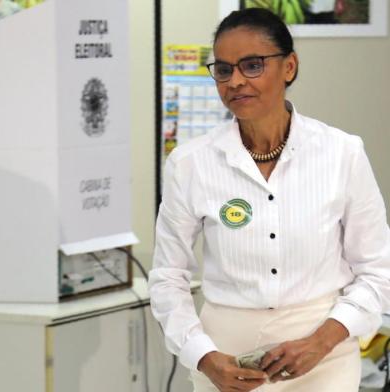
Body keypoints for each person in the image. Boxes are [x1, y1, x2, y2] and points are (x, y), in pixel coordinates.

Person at [149, 7, 390, 392]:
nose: (236, 81)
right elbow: (167, 278)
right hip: (225, 361)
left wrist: (320, 342)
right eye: (224, 70)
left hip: (322, 358)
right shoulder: (190, 164)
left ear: (289, 67)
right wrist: (203, 357)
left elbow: (379, 270)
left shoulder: (341, 152)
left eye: (253, 65)